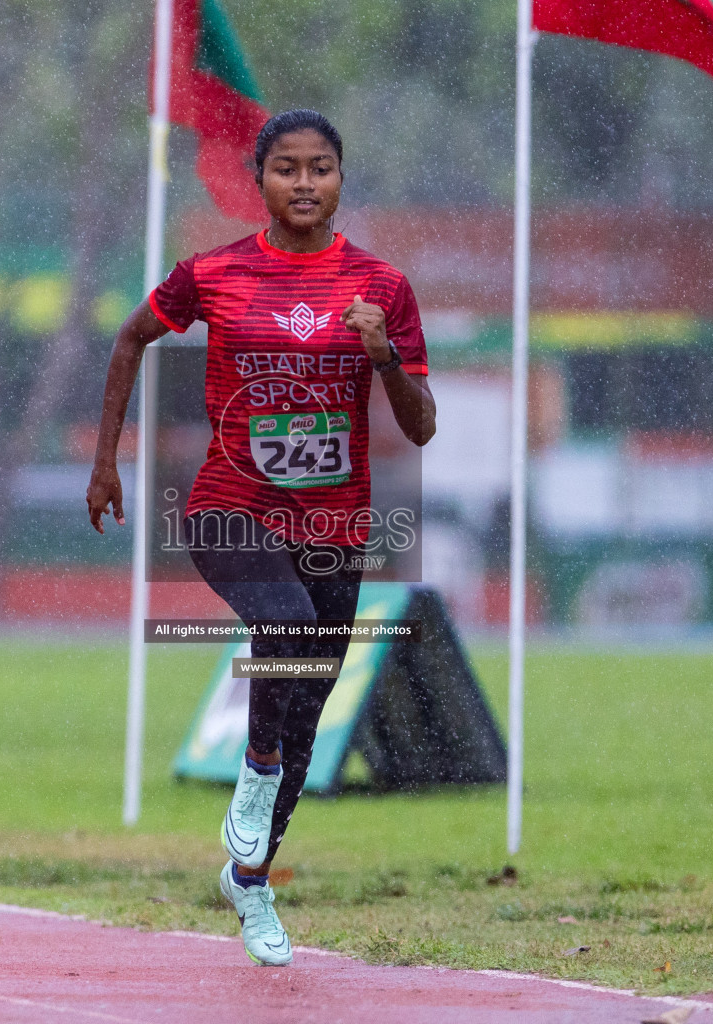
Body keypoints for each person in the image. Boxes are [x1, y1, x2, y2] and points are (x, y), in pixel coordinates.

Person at [86, 109, 435, 966]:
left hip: (335, 527)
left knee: (312, 712)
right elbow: (131, 336)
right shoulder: (214, 273)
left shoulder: (381, 287)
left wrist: (383, 354)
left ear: (341, 178)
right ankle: (256, 761)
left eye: (321, 167)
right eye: (288, 169)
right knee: (278, 619)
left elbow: (422, 429)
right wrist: (106, 463)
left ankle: (251, 880)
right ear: (261, 179)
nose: (305, 183)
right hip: (228, 509)